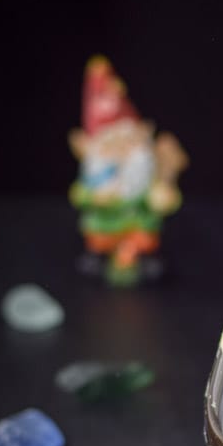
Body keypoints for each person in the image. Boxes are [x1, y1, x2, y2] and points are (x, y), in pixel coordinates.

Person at [68, 55, 188, 284]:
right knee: (98, 240)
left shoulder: (146, 170)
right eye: (111, 145)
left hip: (137, 221)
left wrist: (163, 195)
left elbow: (164, 194)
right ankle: (97, 256)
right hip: (104, 224)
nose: (121, 151)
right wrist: (93, 196)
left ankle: (145, 259)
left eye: (129, 142)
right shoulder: (94, 174)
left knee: (144, 238)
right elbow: (79, 194)